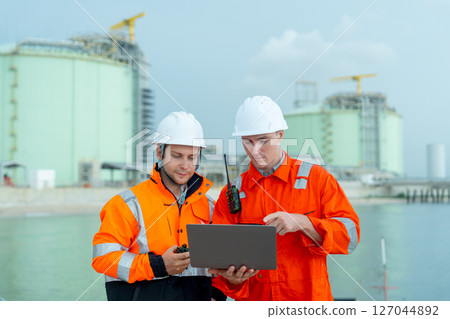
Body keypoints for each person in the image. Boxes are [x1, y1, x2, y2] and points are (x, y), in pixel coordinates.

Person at [210, 96, 360, 301]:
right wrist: (233, 279)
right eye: (248, 142)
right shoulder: (232, 193)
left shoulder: (317, 179)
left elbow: (350, 237)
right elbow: (223, 271)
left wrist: (303, 222)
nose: (255, 151)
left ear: (280, 135)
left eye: (263, 140)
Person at [92, 111, 225, 301]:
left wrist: (219, 294)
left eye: (192, 157)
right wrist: (158, 265)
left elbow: (218, 267)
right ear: (159, 152)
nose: (185, 165)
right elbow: (103, 259)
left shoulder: (210, 207)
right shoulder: (127, 205)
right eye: (177, 156)